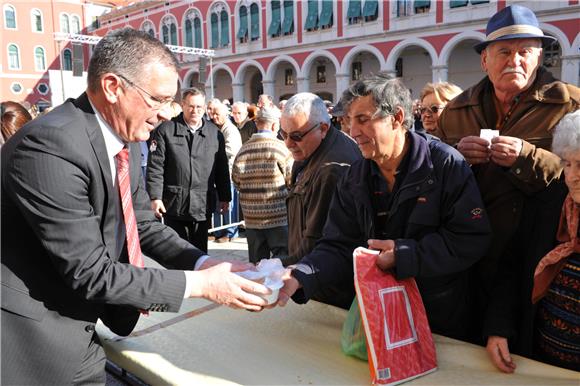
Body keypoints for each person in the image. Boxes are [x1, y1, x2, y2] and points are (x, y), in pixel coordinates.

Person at [0, 29, 269, 386]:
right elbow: (90, 271)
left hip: (78, 331)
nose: (166, 113)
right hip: (31, 344)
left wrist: (206, 261)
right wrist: (201, 284)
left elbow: (143, 223)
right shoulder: (50, 145)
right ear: (113, 87)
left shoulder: (128, 137)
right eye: (158, 99)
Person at [277, 74, 491, 341]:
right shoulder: (355, 176)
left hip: (440, 321)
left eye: (363, 120)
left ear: (397, 118)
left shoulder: (446, 165)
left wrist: (405, 255)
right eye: (348, 121)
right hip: (381, 317)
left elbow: (470, 238)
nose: (353, 132)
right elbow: (338, 245)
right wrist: (301, 274)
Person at [436, 4, 580, 343]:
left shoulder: (569, 105)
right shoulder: (457, 109)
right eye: (504, 51)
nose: (515, 60)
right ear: (485, 59)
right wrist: (457, 157)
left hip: (529, 256)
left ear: (539, 56)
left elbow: (574, 178)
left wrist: (526, 157)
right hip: (465, 257)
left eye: (525, 51)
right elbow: (431, 174)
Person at [484, 110, 579, 373]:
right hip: (538, 363)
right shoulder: (550, 202)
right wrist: (498, 328)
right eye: (567, 164)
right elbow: (512, 267)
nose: (572, 176)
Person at [281, 92, 362, 309]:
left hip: (326, 287)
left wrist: (274, 268)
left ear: (323, 129)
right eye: (283, 134)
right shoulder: (313, 152)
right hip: (311, 277)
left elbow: (317, 242)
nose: (288, 143)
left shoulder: (332, 169)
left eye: (296, 136)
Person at [146, 87, 231, 253]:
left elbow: (221, 168)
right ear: (183, 105)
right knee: (177, 252)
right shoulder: (166, 130)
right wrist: (155, 197)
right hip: (175, 203)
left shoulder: (214, 133)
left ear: (204, 107)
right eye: (191, 106)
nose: (195, 111)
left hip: (202, 204)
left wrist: (225, 196)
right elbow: (155, 167)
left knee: (200, 252)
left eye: (199, 107)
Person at [232, 106, 293, 263]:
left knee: (256, 263)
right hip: (278, 216)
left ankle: (257, 287)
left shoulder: (243, 150)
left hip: (252, 218)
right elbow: (291, 180)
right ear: (274, 125)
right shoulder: (282, 149)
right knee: (282, 261)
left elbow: (236, 180)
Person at [207, 99, 243, 243]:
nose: (214, 116)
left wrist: (211, 152)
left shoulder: (230, 129)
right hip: (218, 173)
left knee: (229, 204)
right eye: (212, 114)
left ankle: (230, 233)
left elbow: (231, 151)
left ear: (224, 114)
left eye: (217, 114)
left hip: (228, 173)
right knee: (217, 204)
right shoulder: (218, 128)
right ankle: (218, 231)